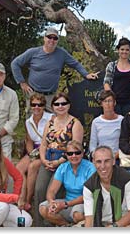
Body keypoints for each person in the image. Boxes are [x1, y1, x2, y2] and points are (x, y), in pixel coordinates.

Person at [11, 27, 98, 113]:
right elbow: (15, 64)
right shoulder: (33, 52)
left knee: (53, 123)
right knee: (32, 122)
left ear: (57, 40)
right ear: (44, 38)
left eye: (55, 38)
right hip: (33, 93)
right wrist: (22, 83)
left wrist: (86, 74)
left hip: (51, 96)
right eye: (49, 37)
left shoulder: (62, 53)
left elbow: (75, 64)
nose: (52, 40)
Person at [33, 92, 84, 226]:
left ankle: (53, 224)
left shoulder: (75, 123)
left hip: (65, 161)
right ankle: (39, 225)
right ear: (53, 106)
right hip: (48, 159)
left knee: (54, 191)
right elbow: (43, 143)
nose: (60, 106)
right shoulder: (50, 122)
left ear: (69, 105)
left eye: (63, 103)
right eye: (57, 104)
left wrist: (59, 162)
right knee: (39, 190)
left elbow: (76, 149)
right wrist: (44, 160)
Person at [39, 140, 96, 226]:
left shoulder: (90, 168)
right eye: (70, 153)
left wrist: (65, 204)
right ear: (66, 155)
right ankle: (66, 225)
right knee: (43, 208)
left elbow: (89, 195)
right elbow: (52, 190)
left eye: (77, 153)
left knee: (77, 215)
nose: (74, 156)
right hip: (67, 202)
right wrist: (52, 202)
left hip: (83, 203)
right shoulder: (63, 167)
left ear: (82, 153)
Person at [16, 93, 53, 211]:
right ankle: (20, 197)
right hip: (35, 150)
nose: (37, 107)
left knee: (32, 167)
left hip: (48, 149)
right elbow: (29, 140)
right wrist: (32, 154)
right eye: (34, 105)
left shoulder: (51, 118)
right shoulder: (28, 122)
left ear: (44, 106)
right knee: (18, 169)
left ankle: (27, 200)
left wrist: (39, 155)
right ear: (30, 106)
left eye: (40, 104)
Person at [83, 146, 130, 227]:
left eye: (107, 161)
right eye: (99, 162)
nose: (103, 166)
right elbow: (89, 217)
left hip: (122, 224)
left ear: (113, 161)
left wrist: (114, 227)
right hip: (100, 223)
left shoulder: (127, 179)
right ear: (93, 162)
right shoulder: (89, 186)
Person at [103, 37, 130, 116]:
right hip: (115, 103)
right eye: (122, 49)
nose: (124, 52)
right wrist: (111, 100)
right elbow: (106, 83)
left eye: (127, 50)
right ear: (118, 50)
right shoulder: (111, 66)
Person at [89, 90, 123, 163]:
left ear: (114, 103)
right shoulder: (96, 122)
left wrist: (114, 157)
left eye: (110, 101)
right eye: (105, 101)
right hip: (100, 159)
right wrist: (97, 156)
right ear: (101, 104)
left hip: (118, 159)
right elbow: (92, 145)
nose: (107, 104)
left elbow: (125, 142)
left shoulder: (122, 120)